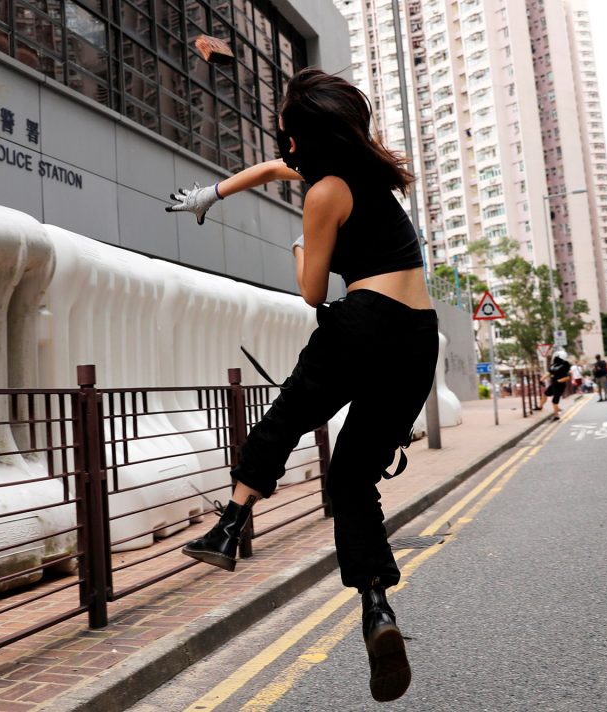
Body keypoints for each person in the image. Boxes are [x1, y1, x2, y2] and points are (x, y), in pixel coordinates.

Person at [166, 68, 437, 703]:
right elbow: (269, 170)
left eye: (287, 133)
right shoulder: (364, 174)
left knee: (284, 420)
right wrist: (215, 191)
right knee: (352, 477)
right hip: (417, 338)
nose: (283, 145)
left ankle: (231, 524)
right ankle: (377, 608)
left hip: (364, 322)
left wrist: (299, 248)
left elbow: (313, 293)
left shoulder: (325, 195)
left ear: (304, 137)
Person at [538, 351, 571, 419]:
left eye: (556, 356)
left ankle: (556, 415)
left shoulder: (563, 366)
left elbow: (567, 377)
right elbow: (549, 373)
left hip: (559, 386)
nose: (554, 358)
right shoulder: (554, 365)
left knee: (554, 401)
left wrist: (558, 381)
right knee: (545, 394)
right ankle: (540, 406)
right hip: (553, 385)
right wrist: (542, 379)